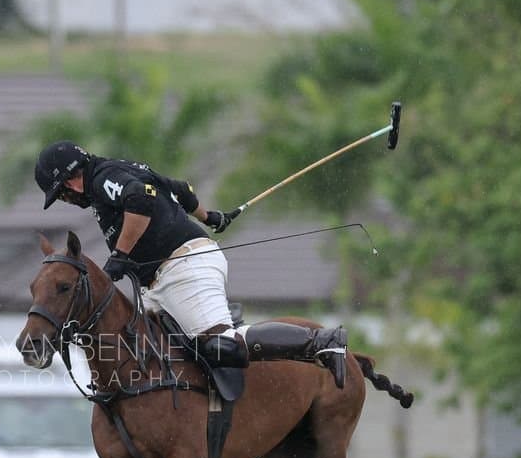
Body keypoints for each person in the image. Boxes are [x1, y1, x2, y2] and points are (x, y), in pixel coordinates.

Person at [34, 140, 348, 387]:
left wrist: (121, 255)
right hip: (157, 282)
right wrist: (209, 216)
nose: (66, 200)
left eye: (60, 194)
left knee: (219, 343)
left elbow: (140, 199)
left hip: (184, 266)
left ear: (71, 182)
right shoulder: (115, 169)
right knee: (146, 354)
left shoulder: (102, 179)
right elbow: (180, 189)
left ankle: (321, 341)